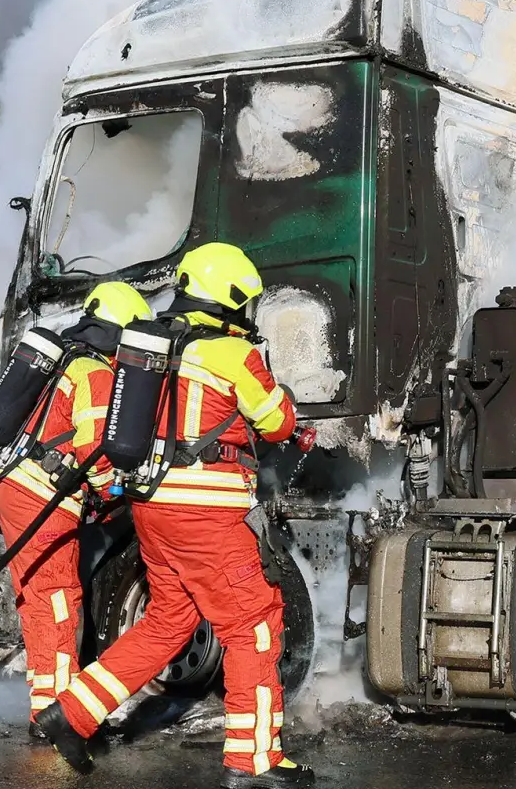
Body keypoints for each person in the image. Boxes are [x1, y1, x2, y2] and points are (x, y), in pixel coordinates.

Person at [39, 242, 312, 789]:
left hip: (151, 506)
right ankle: (252, 760)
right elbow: (277, 422)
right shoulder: (233, 354)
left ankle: (71, 714)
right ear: (232, 299)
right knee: (253, 625)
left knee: (170, 621)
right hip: (206, 512)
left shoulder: (146, 343)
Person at [0, 281, 153, 738]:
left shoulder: (61, 357)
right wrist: (120, 493)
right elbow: (96, 453)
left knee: (40, 600)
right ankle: (55, 719)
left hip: (16, 486)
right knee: (58, 603)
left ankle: (47, 706)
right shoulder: (95, 373)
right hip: (43, 498)